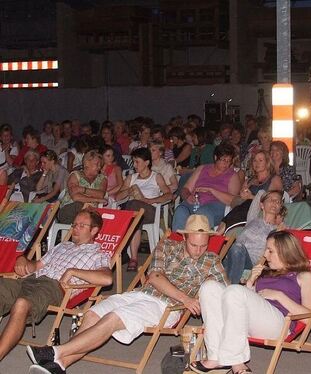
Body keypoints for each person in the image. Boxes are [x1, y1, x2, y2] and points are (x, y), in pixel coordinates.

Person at [27, 214, 227, 374]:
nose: (199, 250)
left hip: (166, 306)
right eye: (194, 245)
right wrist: (186, 298)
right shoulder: (167, 246)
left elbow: (225, 293)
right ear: (184, 237)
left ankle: (55, 352)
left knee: (113, 318)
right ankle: (59, 365)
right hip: (140, 293)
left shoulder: (212, 261)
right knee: (92, 315)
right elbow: (155, 276)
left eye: (203, 245)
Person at [190, 230, 311, 374]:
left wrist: (279, 296)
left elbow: (309, 317)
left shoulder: (304, 276)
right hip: (253, 322)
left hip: (279, 324)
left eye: (270, 251)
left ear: (285, 252)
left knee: (234, 290)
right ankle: (216, 357)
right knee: (209, 287)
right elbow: (245, 305)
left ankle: (236, 361)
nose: (265, 255)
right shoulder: (265, 273)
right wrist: (250, 282)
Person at [0, 209, 111, 361]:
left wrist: (73, 271)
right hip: (29, 280)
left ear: (94, 230)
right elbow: (36, 266)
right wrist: (23, 259)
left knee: (21, 304)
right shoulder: (62, 246)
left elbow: (106, 279)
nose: (75, 228)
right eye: (74, 224)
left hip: (52, 288)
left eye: (82, 225)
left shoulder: (98, 255)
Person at [115, 148, 173, 271]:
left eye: (137, 162)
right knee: (134, 215)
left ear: (146, 162)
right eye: (133, 162)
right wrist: (128, 190)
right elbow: (118, 197)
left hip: (150, 211)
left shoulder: (156, 176)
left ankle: (123, 250)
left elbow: (169, 195)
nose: (134, 165)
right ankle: (134, 259)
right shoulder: (131, 177)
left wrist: (151, 201)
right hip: (135, 213)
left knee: (132, 206)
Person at [222, 190, 286, 284]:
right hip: (231, 258)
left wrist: (280, 231)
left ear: (280, 207)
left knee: (237, 248)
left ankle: (230, 288)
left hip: (250, 264)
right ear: (262, 205)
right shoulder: (252, 219)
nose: (274, 202)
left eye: (278, 201)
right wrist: (253, 196)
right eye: (271, 200)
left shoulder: (278, 230)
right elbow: (260, 192)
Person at [173, 144, 241, 231]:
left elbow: (233, 201)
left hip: (216, 205)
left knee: (202, 214)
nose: (226, 164)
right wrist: (188, 196)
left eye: (229, 161)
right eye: (223, 160)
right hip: (195, 202)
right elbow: (185, 189)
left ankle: (199, 243)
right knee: (180, 211)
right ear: (216, 157)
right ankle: (179, 242)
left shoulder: (232, 175)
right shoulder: (202, 169)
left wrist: (212, 190)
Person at [221, 150, 282, 228]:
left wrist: (251, 197)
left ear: (267, 163)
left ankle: (224, 225)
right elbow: (240, 198)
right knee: (243, 204)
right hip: (243, 209)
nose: (257, 163)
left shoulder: (274, 179)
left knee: (247, 204)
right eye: (254, 160)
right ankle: (225, 226)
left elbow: (272, 200)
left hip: (263, 212)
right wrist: (242, 194)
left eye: (260, 160)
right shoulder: (249, 181)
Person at [57, 150, 108, 224]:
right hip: (69, 210)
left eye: (100, 165)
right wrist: (96, 199)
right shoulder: (75, 175)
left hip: (91, 213)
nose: (99, 167)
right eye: (97, 164)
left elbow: (101, 194)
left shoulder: (102, 179)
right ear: (87, 164)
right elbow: (75, 197)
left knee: (89, 214)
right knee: (79, 205)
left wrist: (82, 189)